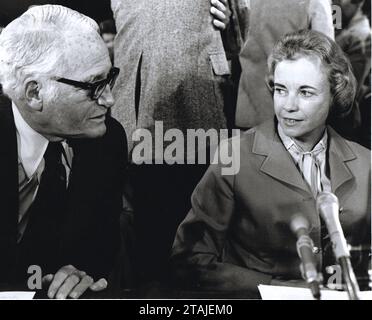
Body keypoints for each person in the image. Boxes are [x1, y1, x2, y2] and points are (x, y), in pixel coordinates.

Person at [171, 30, 371, 297]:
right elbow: (190, 261)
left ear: (335, 94)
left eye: (306, 93)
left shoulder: (365, 163)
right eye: (280, 89)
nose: (288, 105)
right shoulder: (234, 157)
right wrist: (279, 289)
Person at [110, 0, 250, 285]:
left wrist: (227, 30)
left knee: (184, 237)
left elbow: (238, 31)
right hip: (147, 112)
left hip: (184, 111)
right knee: (155, 238)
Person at [0, 5, 127, 299]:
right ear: (34, 93)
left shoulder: (108, 140)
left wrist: (80, 273)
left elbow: (101, 247)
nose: (109, 99)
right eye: (94, 86)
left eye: (109, 79)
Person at [229, 0, 335, 130]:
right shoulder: (316, 2)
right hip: (294, 111)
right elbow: (326, 59)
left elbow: (231, 45)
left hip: (247, 109)